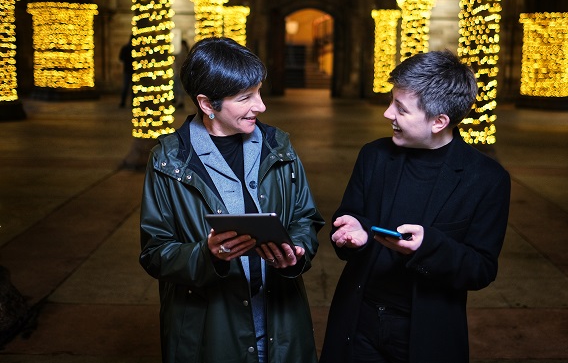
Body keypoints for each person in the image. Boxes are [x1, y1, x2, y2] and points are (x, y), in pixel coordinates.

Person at [139, 37, 324, 363]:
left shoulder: (278, 146)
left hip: (280, 324)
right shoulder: (168, 161)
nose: (261, 106)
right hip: (210, 335)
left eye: (259, 92)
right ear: (208, 104)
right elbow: (155, 252)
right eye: (245, 97)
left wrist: (297, 251)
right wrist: (207, 255)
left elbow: (305, 217)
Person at [319, 50, 511, 363]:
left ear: (439, 121)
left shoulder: (487, 179)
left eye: (401, 109)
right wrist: (353, 234)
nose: (387, 114)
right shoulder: (374, 156)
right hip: (358, 321)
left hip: (425, 333)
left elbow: (481, 269)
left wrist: (427, 247)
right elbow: (348, 217)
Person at [173, 38, 190, 108]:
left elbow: (180, 62)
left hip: (180, 72)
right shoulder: (185, 52)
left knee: (179, 87)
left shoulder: (183, 53)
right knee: (178, 87)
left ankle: (180, 102)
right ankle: (179, 101)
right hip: (179, 72)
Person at [119, 35, 134, 108]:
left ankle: (123, 102)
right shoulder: (135, 49)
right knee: (132, 88)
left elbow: (121, 58)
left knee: (126, 87)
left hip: (127, 70)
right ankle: (133, 102)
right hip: (133, 70)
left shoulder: (125, 48)